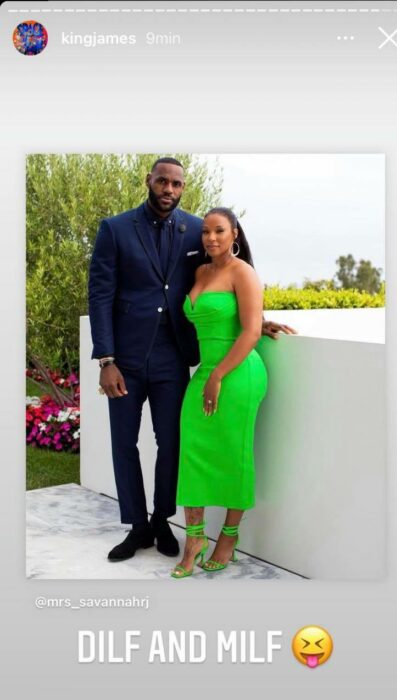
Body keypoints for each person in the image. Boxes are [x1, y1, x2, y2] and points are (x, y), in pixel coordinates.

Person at [88, 158, 296, 565]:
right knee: (123, 444)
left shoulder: (197, 229)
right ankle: (136, 526)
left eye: (176, 183)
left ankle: (163, 519)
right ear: (149, 181)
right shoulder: (115, 229)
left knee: (173, 445)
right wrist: (106, 359)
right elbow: (100, 295)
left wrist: (256, 321)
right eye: (162, 181)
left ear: (183, 188)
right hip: (125, 360)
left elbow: (224, 279)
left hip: (173, 359)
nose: (169, 188)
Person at [170, 208, 270, 578]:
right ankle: (194, 538)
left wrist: (218, 377)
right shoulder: (200, 272)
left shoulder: (244, 273)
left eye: (219, 231)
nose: (211, 238)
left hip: (238, 373)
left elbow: (250, 332)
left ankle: (228, 538)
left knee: (233, 452)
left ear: (235, 235)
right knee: (192, 449)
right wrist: (208, 376)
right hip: (207, 372)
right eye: (206, 232)